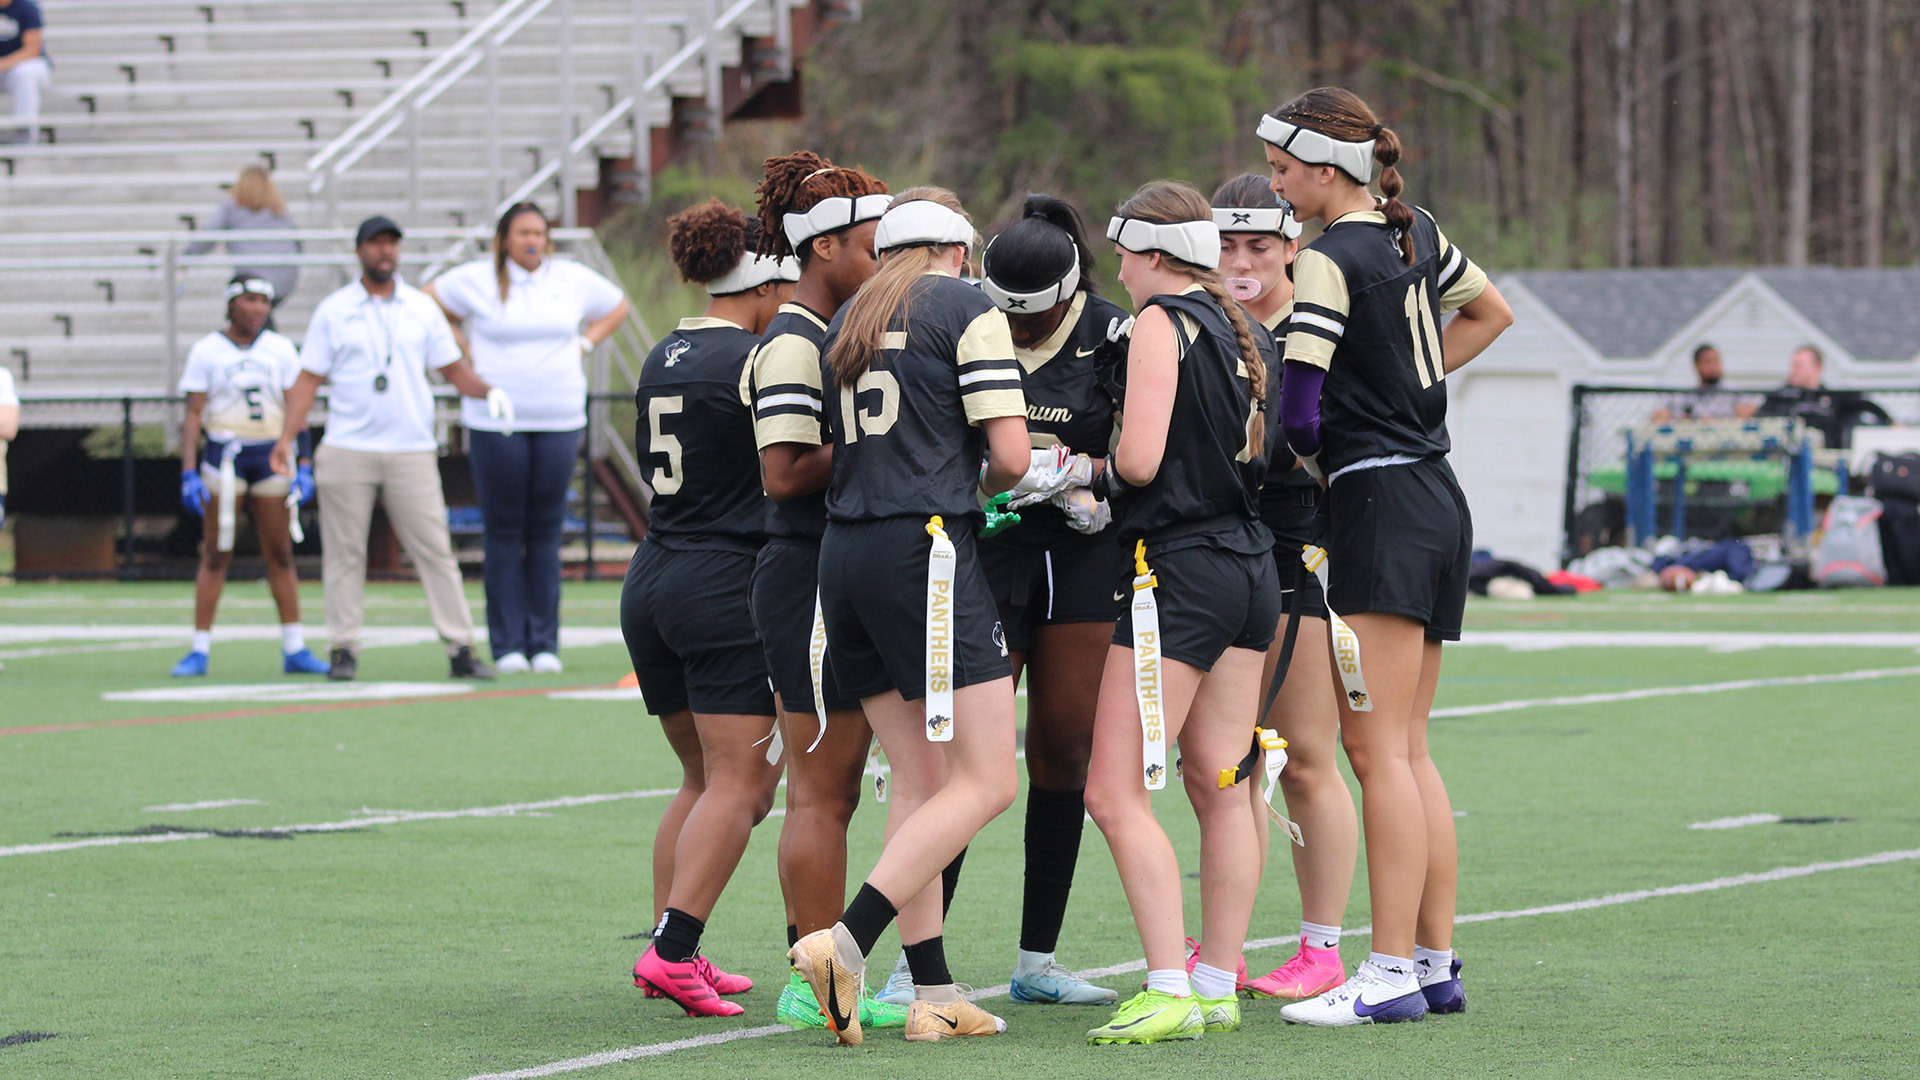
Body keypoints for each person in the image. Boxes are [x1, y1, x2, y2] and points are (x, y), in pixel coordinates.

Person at [1261, 86, 1513, 1024]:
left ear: (1328, 168)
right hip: (1436, 494)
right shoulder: (1417, 231)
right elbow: (1492, 313)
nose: (1277, 186)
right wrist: (1411, 384)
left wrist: (1318, 448)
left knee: (1375, 752)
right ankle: (1434, 964)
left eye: (1283, 169)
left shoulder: (1327, 258)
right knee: (1407, 749)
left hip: (1378, 501)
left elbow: (1298, 413)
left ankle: (1392, 971)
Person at [789, 188, 1032, 1045]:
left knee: (922, 780)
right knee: (991, 780)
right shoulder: (965, 307)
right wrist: (983, 487)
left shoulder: (849, 315)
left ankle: (931, 990)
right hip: (922, 551)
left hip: (845, 553)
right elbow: (1011, 457)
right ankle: (847, 941)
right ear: (959, 251)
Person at [1079, 180, 1281, 1046]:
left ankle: (1167, 985)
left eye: (1124, 254)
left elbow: (1138, 461)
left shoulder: (1161, 322)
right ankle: (1215, 982)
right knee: (1223, 785)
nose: (1119, 271)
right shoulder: (1249, 328)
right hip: (1250, 566)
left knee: (1112, 789)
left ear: (1155, 254)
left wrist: (1074, 473)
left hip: (1181, 571)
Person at [744, 152, 912, 1033]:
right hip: (806, 572)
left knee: (842, 787)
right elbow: (782, 473)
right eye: (874, 246)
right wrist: (885, 443)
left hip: (837, 568)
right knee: (822, 790)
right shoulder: (792, 338)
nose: (884, 263)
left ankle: (828, 970)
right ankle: (814, 980)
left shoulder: (833, 329)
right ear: (827, 247)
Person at [625, 200, 793, 1017]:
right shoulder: (757, 359)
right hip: (721, 581)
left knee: (700, 779)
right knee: (744, 786)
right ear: (761, 281)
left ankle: (674, 949)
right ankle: (670, 952)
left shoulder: (665, 350)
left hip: (655, 570)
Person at [973, 193, 1128, 1007]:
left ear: (1069, 293)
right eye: (1007, 315)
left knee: (1064, 752)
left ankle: (1037, 959)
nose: (1017, 330)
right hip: (990, 549)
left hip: (1079, 549)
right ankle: (914, 963)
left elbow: (1145, 452)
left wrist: (1086, 476)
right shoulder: (970, 323)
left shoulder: (1116, 335)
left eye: (1031, 318)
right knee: (967, 760)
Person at [1210, 173, 1358, 1002]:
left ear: (1290, 247)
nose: (1241, 262)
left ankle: (1322, 948)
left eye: (1258, 245)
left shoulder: (1315, 322)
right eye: (1226, 245)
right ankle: (1225, 946)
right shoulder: (1204, 321)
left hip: (1296, 545)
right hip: (1218, 551)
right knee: (1226, 763)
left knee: (1304, 756)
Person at [270, 216, 507, 682]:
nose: (385, 251)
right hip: (348, 445)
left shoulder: (420, 307)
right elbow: (308, 379)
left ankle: (460, 646)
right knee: (344, 553)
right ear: (359, 250)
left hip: (410, 446)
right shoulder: (335, 310)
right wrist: (285, 439)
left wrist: (489, 392)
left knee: (435, 550)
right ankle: (343, 647)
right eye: (376, 243)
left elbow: (453, 370)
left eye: (392, 244)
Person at [425, 202, 630, 675]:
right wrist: (460, 345)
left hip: (559, 417)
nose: (533, 240)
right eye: (523, 233)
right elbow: (427, 299)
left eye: (539, 232)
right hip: (496, 419)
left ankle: (543, 643)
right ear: (504, 239)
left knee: (546, 530)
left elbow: (616, 305)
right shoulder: (476, 279)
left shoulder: (569, 278)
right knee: (503, 529)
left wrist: (585, 343)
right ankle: (508, 644)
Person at [170, 277, 328, 678]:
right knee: (215, 552)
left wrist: (303, 462)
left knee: (280, 551)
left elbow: (297, 409)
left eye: (264, 302)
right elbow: (193, 414)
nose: (258, 309)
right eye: (250, 300)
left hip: (271, 452)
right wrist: (188, 470)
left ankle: (294, 645)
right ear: (231, 304)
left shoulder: (280, 348)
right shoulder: (207, 349)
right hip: (225, 454)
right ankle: (199, 648)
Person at [183, 168, 302, 314]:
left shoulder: (232, 208)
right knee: (258, 313)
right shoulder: (279, 211)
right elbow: (297, 243)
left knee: (247, 313)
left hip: (252, 279)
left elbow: (208, 237)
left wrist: (186, 258)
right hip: (284, 279)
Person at [1756, 344, 1892, 450]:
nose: (1793, 371)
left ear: (1817, 368)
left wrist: (1890, 421)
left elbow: (1865, 403)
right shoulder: (1780, 397)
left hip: (1825, 463)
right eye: (1793, 366)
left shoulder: (1834, 397)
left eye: (1799, 366)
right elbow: (1758, 420)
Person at [1650, 343, 1756, 421]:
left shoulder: (1734, 394)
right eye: (1708, 362)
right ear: (1697, 366)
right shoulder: (1684, 396)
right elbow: (1661, 414)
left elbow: (1746, 415)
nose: (1713, 367)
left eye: (1716, 361)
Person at [0, 0, 50, 146]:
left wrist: (3, 64)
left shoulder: (26, 7)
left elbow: (32, 50)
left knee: (25, 73)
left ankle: (25, 132)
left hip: (24, 66)